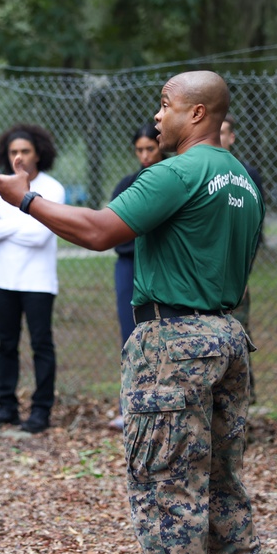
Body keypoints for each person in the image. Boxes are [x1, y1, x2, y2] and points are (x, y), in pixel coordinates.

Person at [0, 71, 262, 554]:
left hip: (173, 345)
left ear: (198, 113)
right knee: (224, 481)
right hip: (227, 336)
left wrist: (26, 200)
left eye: (165, 105)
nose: (158, 116)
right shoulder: (242, 179)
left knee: (168, 485)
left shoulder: (175, 172)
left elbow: (97, 231)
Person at [0, 124, 65, 434]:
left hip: (38, 282)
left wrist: (6, 223)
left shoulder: (52, 189)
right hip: (2, 279)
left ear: (38, 153)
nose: (19, 156)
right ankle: (7, 406)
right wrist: (20, 221)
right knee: (6, 345)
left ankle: (41, 411)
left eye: (25, 151)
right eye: (14, 151)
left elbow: (40, 235)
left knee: (41, 344)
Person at [107, 124, 165, 431]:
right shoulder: (127, 184)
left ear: (160, 147)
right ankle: (128, 404)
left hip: (158, 266)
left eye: (150, 149)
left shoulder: (170, 179)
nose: (145, 156)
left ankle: (158, 403)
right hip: (129, 264)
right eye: (139, 150)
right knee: (130, 334)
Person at [220, 115, 264, 402]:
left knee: (238, 337)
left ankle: (244, 402)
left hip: (235, 274)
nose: (219, 137)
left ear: (232, 137)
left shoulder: (246, 173)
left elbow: (254, 229)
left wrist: (242, 273)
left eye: (223, 132)